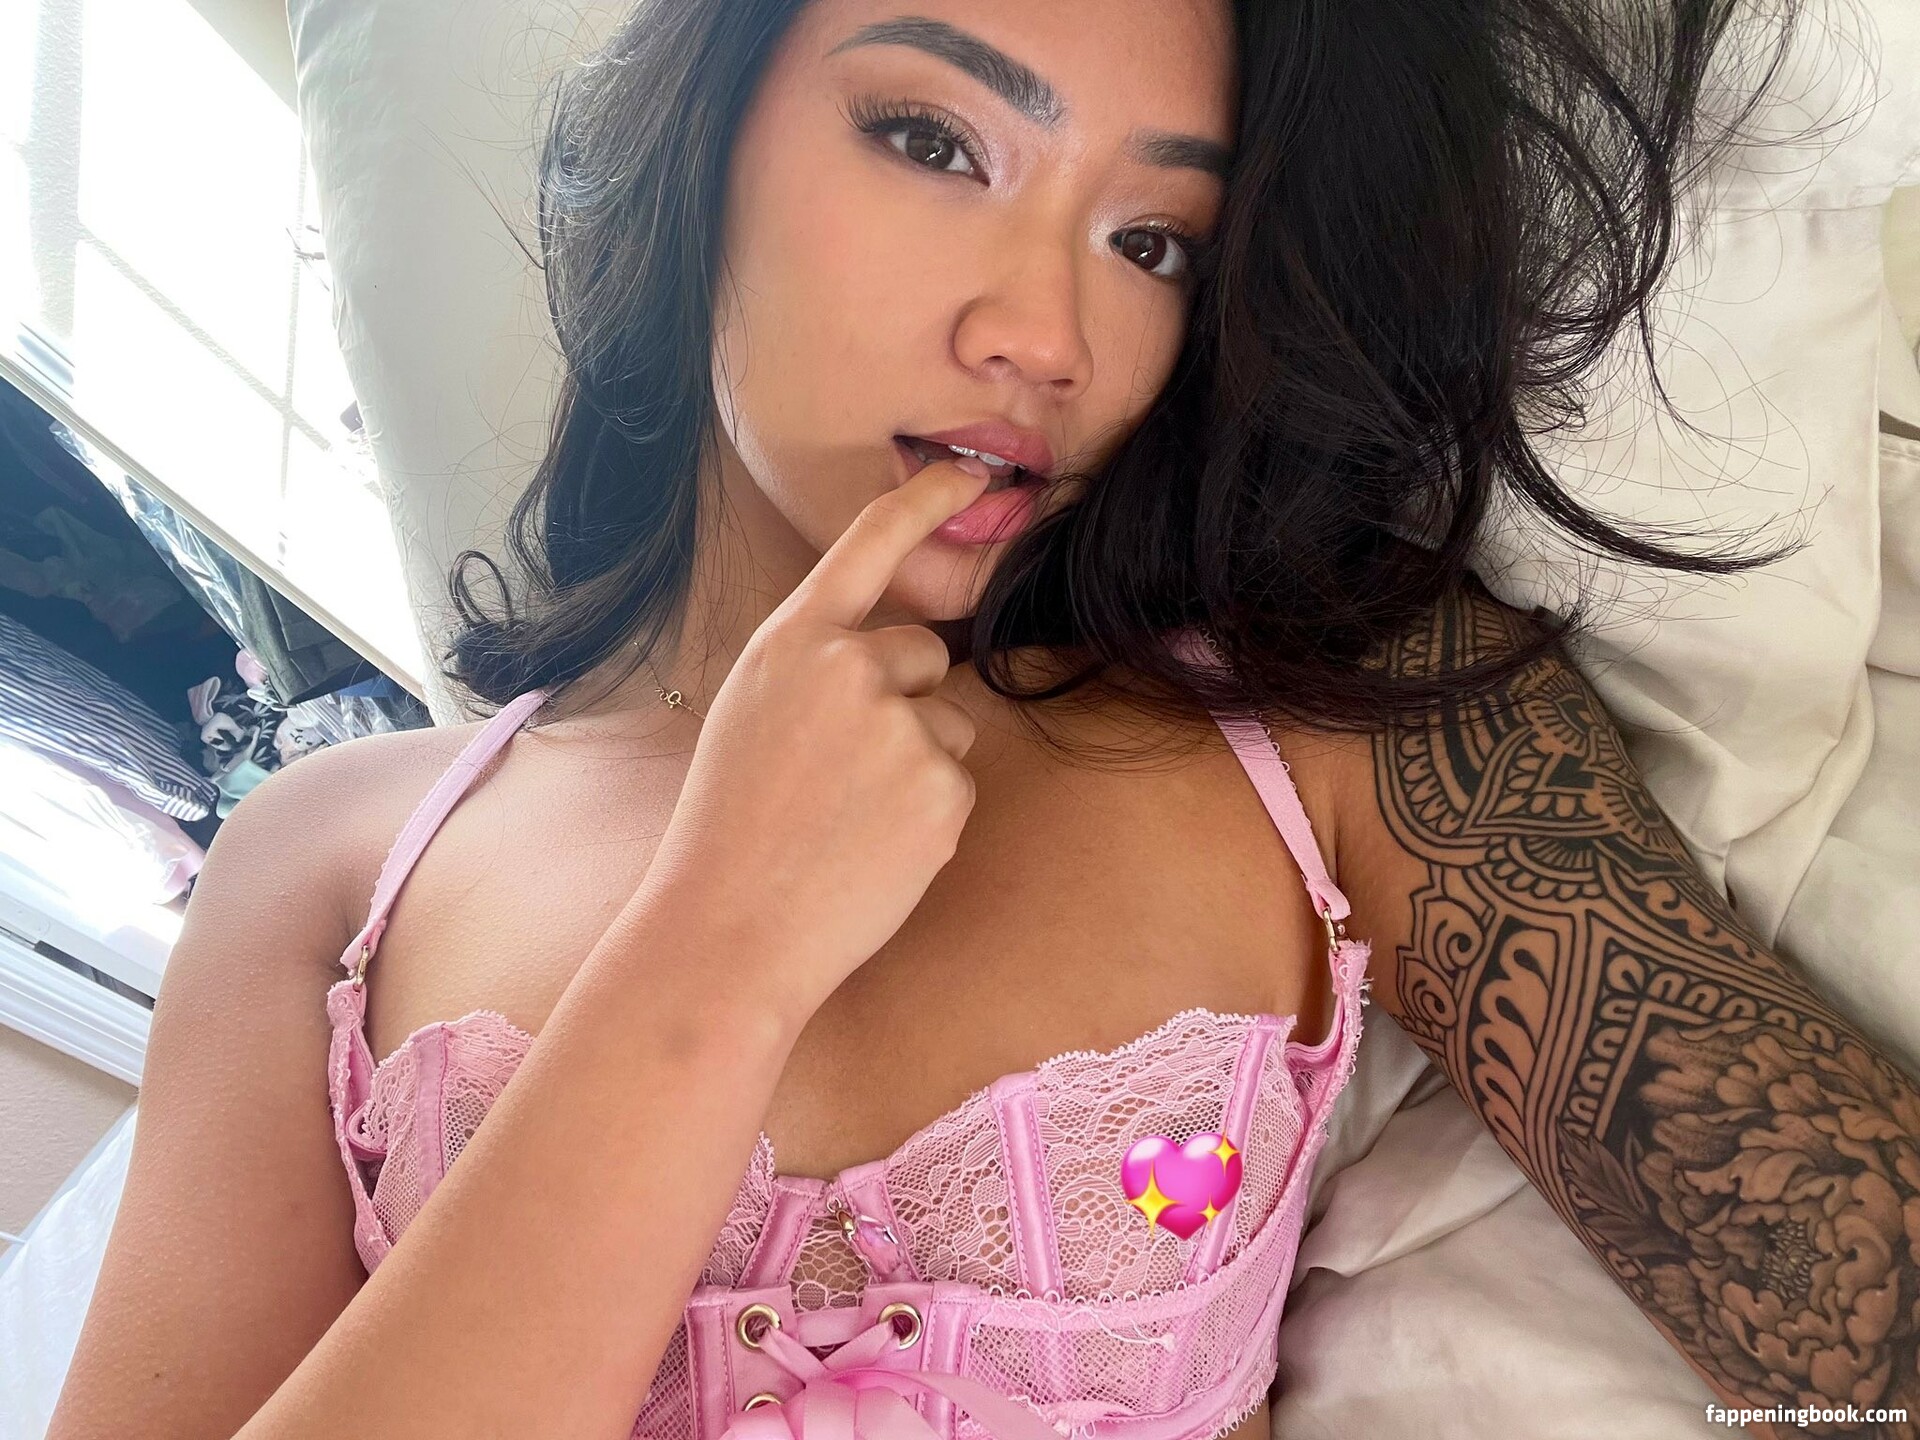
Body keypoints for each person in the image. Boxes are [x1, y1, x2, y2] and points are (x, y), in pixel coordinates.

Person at [48, 1, 1919, 1438]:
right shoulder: (333, 856)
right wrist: (716, 952)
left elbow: (1863, 1320)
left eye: (1155, 241)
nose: (1048, 335)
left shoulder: (1333, 725)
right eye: (934, 139)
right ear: (706, 130)